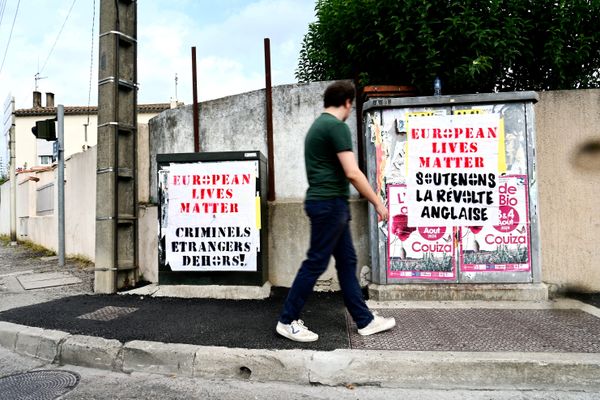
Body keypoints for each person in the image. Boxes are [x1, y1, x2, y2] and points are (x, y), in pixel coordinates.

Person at [276, 81, 396, 342]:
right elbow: (352, 172)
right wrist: (377, 201)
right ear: (348, 103)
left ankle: (364, 320)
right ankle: (287, 320)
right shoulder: (336, 127)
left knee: (346, 262)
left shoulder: (318, 126)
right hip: (329, 204)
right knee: (316, 262)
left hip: (330, 204)